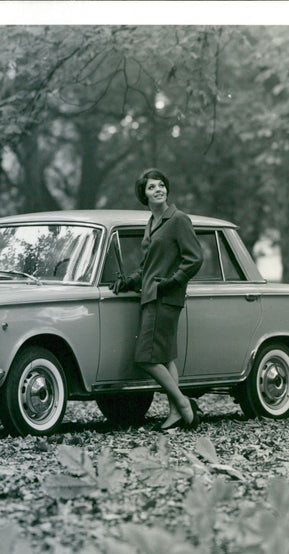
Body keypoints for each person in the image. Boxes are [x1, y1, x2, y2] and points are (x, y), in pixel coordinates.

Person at [111, 168, 203, 431]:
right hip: (152, 295)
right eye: (152, 187)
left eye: (161, 185)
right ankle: (176, 414)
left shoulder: (178, 219)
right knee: (165, 358)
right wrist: (129, 280)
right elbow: (147, 267)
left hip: (165, 297)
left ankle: (184, 405)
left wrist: (173, 281)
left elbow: (195, 258)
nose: (158, 190)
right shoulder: (151, 223)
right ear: (144, 194)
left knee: (146, 358)